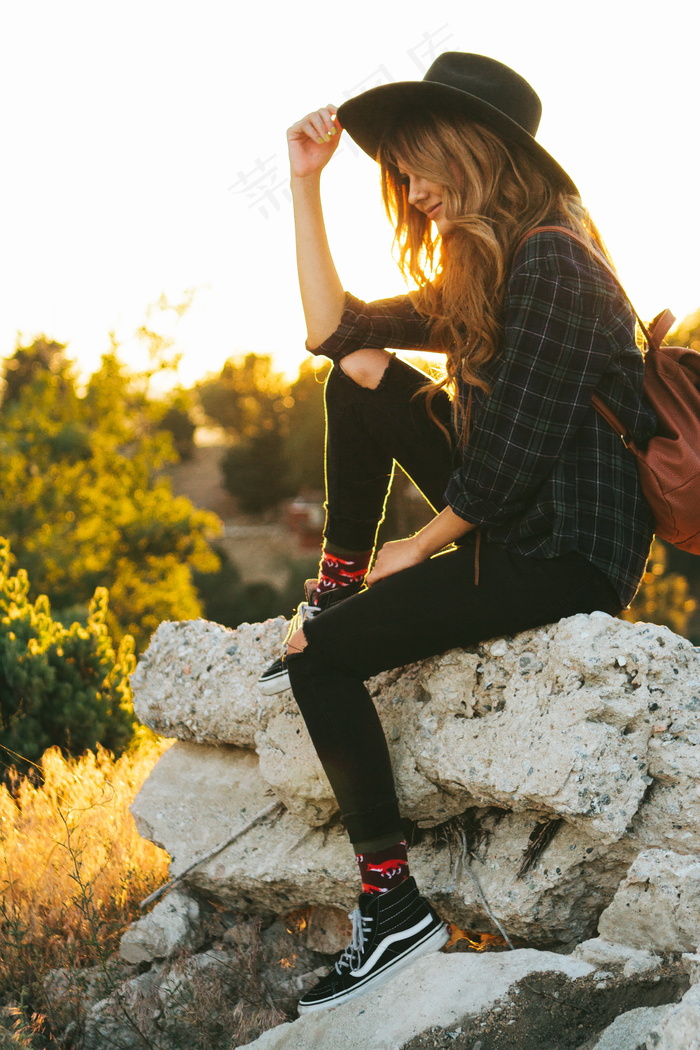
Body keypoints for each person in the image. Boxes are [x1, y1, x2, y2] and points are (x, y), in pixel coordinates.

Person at [259, 52, 656, 1014]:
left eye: (420, 165)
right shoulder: (489, 268)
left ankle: (392, 907)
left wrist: (416, 548)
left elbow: (508, 464)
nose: (411, 190)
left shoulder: (555, 260)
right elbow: (334, 329)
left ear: (475, 152)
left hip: (564, 549)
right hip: (515, 514)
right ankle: (337, 577)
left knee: (322, 661)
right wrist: (305, 184)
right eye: (398, 173)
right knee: (357, 370)